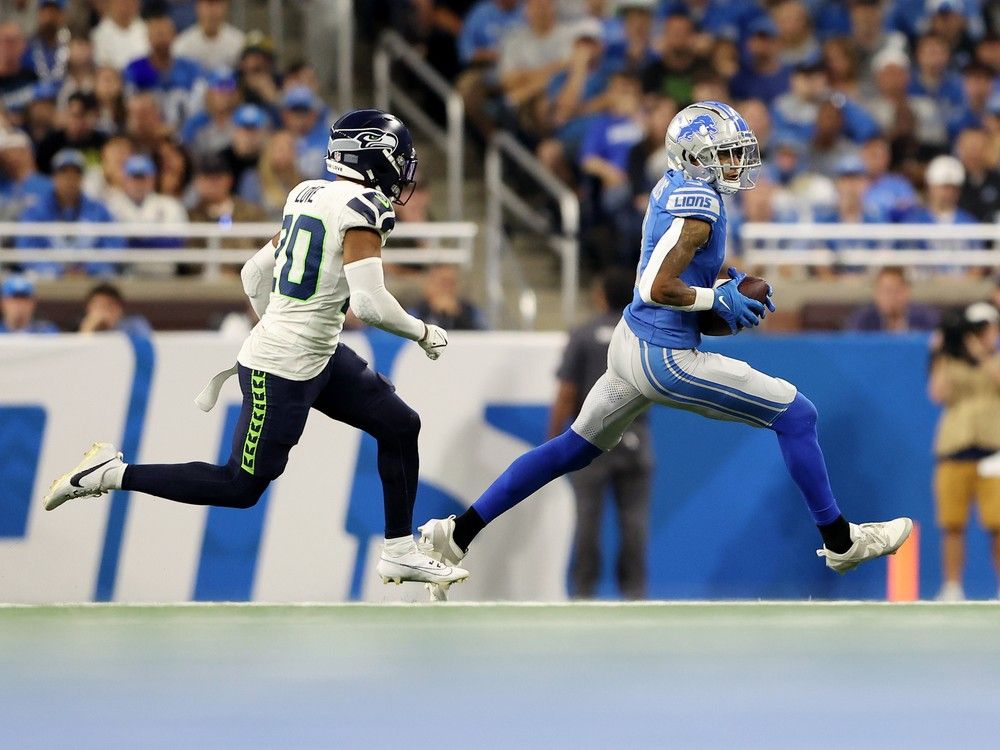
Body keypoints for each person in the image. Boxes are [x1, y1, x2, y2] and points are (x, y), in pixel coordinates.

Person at [419, 101, 912, 583]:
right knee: (797, 414)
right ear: (695, 156)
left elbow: (670, 270)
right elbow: (656, 286)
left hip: (631, 342)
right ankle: (842, 542)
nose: (737, 163)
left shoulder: (676, 186)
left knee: (571, 447)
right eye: (725, 153)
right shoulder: (700, 206)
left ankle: (457, 533)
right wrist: (714, 299)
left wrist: (718, 290)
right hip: (664, 355)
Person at [42, 108, 468, 590]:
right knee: (240, 486)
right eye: (398, 159)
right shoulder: (365, 208)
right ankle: (110, 473)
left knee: (399, 423)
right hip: (284, 368)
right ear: (374, 158)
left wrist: (283, 324)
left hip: (316, 355)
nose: (402, 171)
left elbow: (252, 274)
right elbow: (369, 304)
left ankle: (398, 551)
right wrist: (423, 332)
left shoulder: (305, 194)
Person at [549, 269, 653, 599]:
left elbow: (566, 393)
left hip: (590, 442)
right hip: (636, 440)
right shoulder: (643, 334)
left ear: (602, 294)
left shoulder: (582, 334)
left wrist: (553, 444)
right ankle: (635, 595)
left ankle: (582, 594)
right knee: (634, 524)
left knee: (586, 522)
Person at [928, 303, 1000, 601]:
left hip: (993, 452)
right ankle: (953, 586)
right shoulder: (950, 359)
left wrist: (980, 352)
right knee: (952, 524)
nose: (981, 334)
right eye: (975, 329)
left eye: (986, 328)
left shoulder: (993, 359)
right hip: (955, 449)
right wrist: (941, 353)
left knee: (999, 525)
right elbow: (937, 393)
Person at [16, 148, 123, 277]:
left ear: (82, 178)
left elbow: (113, 245)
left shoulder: (98, 209)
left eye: (75, 174)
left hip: (90, 276)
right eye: (64, 173)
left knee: (107, 275)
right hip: (49, 276)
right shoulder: (36, 210)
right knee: (34, 275)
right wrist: (57, 270)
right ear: (54, 177)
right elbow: (27, 248)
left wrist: (89, 269)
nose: (69, 180)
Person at [845, 266, 940, 332]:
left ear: (907, 291)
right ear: (876, 294)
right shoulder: (862, 320)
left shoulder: (926, 319)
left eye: (896, 291)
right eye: (886, 291)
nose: (891, 297)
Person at [408, 264, 486, 331]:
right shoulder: (417, 311)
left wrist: (459, 316)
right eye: (443, 283)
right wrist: (434, 314)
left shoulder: (470, 311)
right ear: (429, 285)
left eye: (452, 283)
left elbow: (485, 337)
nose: (447, 289)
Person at [172, 0, 245, 71]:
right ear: (198, 7)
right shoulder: (182, 45)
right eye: (209, 5)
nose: (213, 12)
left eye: (218, 4)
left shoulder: (239, 42)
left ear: (225, 7)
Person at [78, 282, 152, 336]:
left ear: (119, 308)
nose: (102, 311)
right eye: (98, 306)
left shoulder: (134, 324)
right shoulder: (77, 325)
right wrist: (87, 330)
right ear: (88, 308)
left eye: (107, 306)